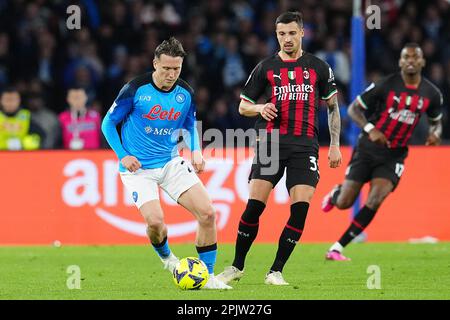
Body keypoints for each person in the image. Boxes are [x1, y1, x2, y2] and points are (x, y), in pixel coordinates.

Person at [216, 11, 342, 285]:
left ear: (302, 33)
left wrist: (334, 145)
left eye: (292, 33)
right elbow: (243, 105)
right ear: (276, 36)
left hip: (305, 146)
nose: (287, 39)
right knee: (253, 208)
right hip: (271, 143)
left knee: (300, 209)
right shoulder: (265, 68)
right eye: (282, 34)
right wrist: (261, 107)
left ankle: (276, 271)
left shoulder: (319, 67)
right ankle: (237, 266)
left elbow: (332, 107)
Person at [101, 37, 231, 289]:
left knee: (207, 213)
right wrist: (123, 155)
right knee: (155, 223)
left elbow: (188, 125)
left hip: (171, 162)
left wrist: (195, 151)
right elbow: (107, 123)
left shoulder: (185, 93)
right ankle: (167, 258)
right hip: (137, 169)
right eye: (166, 68)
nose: (171, 74)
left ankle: (209, 276)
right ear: (154, 64)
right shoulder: (135, 89)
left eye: (176, 69)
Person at [321, 43, 443, 261]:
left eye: (416, 57)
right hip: (368, 149)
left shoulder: (432, 94)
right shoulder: (385, 85)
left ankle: (337, 248)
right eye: (407, 57)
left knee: (376, 198)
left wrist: (435, 134)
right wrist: (371, 129)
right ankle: (335, 194)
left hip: (394, 154)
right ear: (400, 61)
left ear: (423, 62)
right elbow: (352, 109)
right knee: (344, 203)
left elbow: (436, 122)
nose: (411, 61)